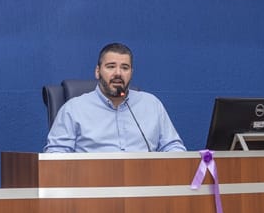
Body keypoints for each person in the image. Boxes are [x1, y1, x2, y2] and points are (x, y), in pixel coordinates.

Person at [45, 43, 186, 153]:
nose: (118, 73)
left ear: (131, 73)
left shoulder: (152, 104)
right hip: (92, 185)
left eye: (125, 68)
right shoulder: (74, 109)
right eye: (111, 66)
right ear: (97, 72)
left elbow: (173, 146)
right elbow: (55, 154)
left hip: (144, 184)